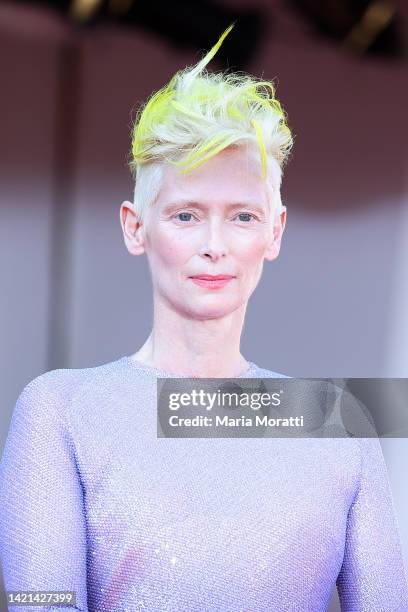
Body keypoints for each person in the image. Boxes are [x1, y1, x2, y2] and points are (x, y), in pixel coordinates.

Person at [1, 24, 408, 612]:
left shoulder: (335, 420)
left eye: (243, 217)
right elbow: (42, 604)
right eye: (187, 215)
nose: (215, 245)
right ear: (135, 227)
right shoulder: (61, 413)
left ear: (276, 231)